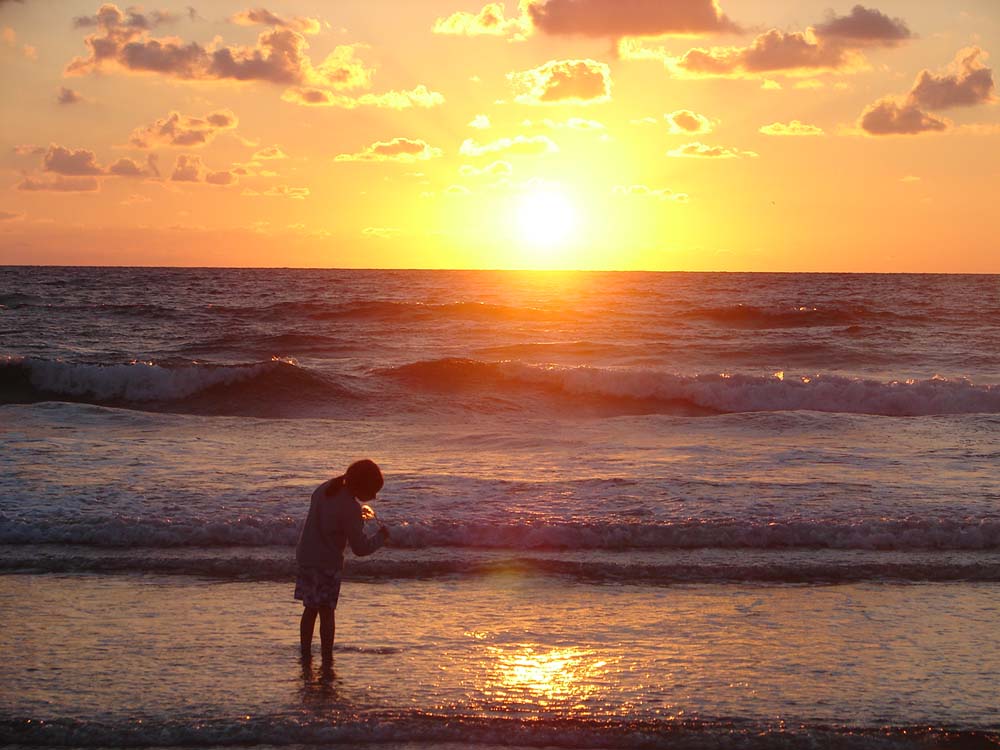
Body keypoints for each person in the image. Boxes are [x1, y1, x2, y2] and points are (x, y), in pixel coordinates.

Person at [295, 459, 390, 662]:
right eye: (373, 491)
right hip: (327, 562)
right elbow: (360, 549)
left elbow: (330, 518)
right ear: (362, 486)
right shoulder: (351, 508)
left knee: (310, 608)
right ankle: (327, 656)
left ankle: (305, 652)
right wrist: (381, 538)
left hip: (306, 556)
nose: (373, 497)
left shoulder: (326, 488)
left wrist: (357, 516)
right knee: (327, 611)